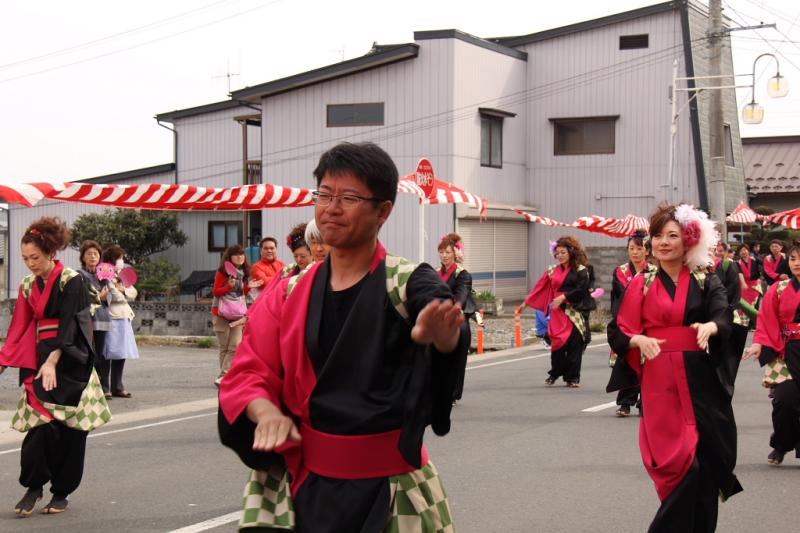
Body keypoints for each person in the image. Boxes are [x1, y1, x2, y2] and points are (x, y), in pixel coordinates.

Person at [218, 142, 468, 532]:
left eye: (349, 198)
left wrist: (443, 337)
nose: (332, 207)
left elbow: (439, 309)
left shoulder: (406, 280)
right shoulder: (288, 291)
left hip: (392, 488)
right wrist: (265, 413)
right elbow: (250, 370)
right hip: (305, 487)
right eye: (324, 195)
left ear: (383, 211)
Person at [607, 203, 742, 532]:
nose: (663, 242)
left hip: (701, 379)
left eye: (672, 235)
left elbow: (725, 314)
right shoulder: (641, 282)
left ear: (689, 240)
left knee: (706, 464)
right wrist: (637, 339)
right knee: (680, 466)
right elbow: (618, 329)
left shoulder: (705, 279)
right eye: (658, 236)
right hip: (660, 381)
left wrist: (711, 326)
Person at [0, 217, 110, 516]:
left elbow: (72, 324)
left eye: (35, 257)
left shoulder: (72, 280)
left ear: (50, 252)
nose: (30, 264)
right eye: (25, 258)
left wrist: (53, 359)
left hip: (71, 358)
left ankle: (61, 492)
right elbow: (19, 326)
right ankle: (33, 486)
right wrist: (3, 360)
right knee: (39, 427)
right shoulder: (27, 285)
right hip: (38, 359)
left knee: (72, 430)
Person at [744, 242, 800, 465]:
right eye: (794, 259)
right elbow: (766, 319)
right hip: (786, 350)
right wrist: (759, 343)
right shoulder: (779, 288)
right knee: (784, 401)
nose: (797, 263)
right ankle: (782, 443)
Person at [524, 236, 595, 388]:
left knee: (575, 344)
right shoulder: (552, 270)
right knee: (557, 343)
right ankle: (555, 373)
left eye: (563, 252)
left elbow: (582, 289)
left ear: (571, 252)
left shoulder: (581, 270)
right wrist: (527, 301)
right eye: (557, 253)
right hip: (557, 311)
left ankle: (572, 377)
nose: (560, 255)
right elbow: (540, 287)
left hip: (575, 311)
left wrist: (564, 297)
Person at [608, 229, 655, 417]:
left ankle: (645, 403)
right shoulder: (620, 271)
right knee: (627, 360)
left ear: (647, 251)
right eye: (631, 248)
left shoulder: (653, 271)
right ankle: (625, 402)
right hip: (627, 322)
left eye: (639, 248)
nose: (635, 252)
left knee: (648, 363)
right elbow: (618, 298)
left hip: (647, 322)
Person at [437, 232, 478, 403]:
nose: (444, 256)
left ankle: (452, 394)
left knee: (456, 359)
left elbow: (462, 293)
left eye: (448, 252)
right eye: (441, 252)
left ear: (455, 253)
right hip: (438, 317)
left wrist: (456, 307)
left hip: (456, 317)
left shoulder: (463, 274)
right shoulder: (435, 272)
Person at [100, 246, 139, 398]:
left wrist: (122, 290)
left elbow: (133, 292)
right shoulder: (105, 273)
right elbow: (113, 295)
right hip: (111, 316)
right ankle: (105, 387)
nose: (122, 261)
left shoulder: (121, 274)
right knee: (107, 352)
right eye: (120, 258)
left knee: (121, 352)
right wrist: (122, 291)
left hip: (124, 316)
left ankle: (117, 386)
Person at [76, 240, 112, 398]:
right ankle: (90, 387)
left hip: (102, 317)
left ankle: (105, 387)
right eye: (89, 254)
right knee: (90, 353)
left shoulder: (104, 275)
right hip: (87, 319)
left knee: (103, 354)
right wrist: (99, 296)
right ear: (83, 257)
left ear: (100, 257)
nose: (92, 257)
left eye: (95, 254)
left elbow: (110, 297)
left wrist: (109, 286)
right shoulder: (79, 275)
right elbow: (81, 296)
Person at [212, 245, 250, 387]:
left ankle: (224, 375)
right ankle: (225, 376)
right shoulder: (222, 272)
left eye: (242, 254)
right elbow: (216, 292)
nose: (240, 257)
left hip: (238, 313)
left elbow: (242, 294)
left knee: (235, 345)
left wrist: (249, 286)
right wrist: (228, 285)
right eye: (236, 255)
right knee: (224, 347)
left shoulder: (244, 272)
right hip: (221, 313)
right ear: (229, 257)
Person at [713, 242, 745, 386]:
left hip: (724, 310)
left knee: (725, 348)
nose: (717, 253)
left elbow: (734, 288)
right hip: (709, 313)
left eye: (720, 251)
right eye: (715, 250)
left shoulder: (728, 265)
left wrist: (727, 307)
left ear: (726, 252)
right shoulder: (703, 266)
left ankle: (723, 379)